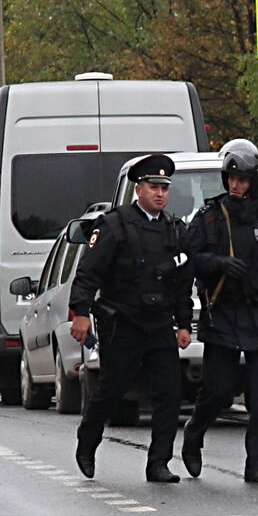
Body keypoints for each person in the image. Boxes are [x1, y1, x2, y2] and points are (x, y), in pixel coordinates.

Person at [181, 139, 258, 484]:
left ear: (256, 181)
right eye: (231, 178)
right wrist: (217, 263)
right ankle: (194, 432)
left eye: (243, 180)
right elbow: (188, 258)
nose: (236, 185)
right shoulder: (209, 217)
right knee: (219, 389)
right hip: (224, 314)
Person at [70, 154, 192, 482]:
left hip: (158, 324)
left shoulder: (173, 230)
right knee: (113, 388)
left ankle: (159, 463)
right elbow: (88, 273)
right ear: (138, 189)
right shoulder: (114, 225)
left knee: (169, 393)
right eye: (153, 187)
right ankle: (88, 440)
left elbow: (182, 280)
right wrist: (81, 313)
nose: (160, 194)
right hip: (123, 322)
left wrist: (183, 323)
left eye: (165, 188)